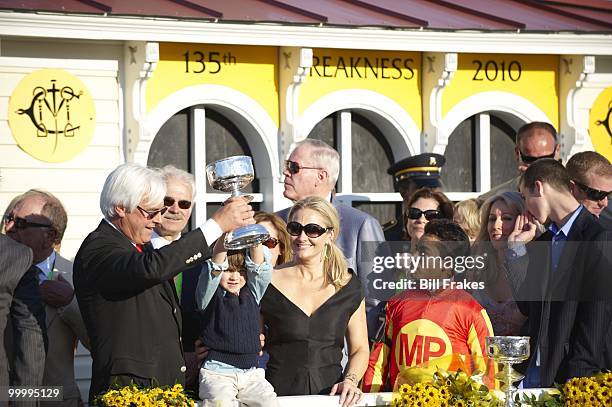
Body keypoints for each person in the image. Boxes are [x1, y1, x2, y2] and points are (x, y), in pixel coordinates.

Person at [73, 163, 255, 402]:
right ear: (120, 208)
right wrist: (216, 225)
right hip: (128, 391)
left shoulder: (137, 245)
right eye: (150, 212)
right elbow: (151, 268)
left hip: (164, 388)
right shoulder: (98, 248)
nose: (157, 219)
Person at [506, 158, 612, 387]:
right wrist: (515, 251)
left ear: (539, 187)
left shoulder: (598, 237)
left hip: (569, 379)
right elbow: (528, 306)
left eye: (525, 198)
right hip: (532, 377)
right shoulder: (544, 241)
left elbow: (595, 319)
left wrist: (578, 385)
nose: (526, 209)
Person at [362, 220, 495, 392]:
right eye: (416, 249)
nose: (414, 257)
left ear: (447, 267)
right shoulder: (394, 304)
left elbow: (490, 374)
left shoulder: (472, 311)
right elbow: (376, 365)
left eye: (423, 253)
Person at [262, 197, 368, 407]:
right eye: (295, 228)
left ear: (330, 235)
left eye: (312, 230)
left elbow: (360, 349)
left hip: (331, 398)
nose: (302, 237)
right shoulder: (267, 281)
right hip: (278, 398)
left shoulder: (348, 285)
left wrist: (351, 380)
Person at [277, 139, 384, 338]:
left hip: (340, 358)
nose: (286, 172)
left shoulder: (362, 225)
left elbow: (377, 301)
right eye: (286, 166)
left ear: (320, 176)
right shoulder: (275, 223)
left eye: (294, 167)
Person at [5, 190, 90, 406]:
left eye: (21, 224)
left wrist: (70, 302)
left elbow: (99, 342)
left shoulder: (76, 276)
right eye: (9, 219)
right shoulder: (3, 270)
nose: (9, 229)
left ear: (51, 236)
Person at [196, 237, 277, 407]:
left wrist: (253, 238)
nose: (234, 277)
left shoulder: (253, 293)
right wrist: (226, 234)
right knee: (221, 403)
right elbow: (215, 267)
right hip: (217, 372)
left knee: (268, 402)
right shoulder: (209, 295)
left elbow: (260, 269)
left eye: (241, 271)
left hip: (251, 373)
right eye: (228, 270)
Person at [471, 192, 527, 336]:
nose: (496, 226)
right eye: (491, 219)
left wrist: (517, 247)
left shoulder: (537, 267)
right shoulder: (475, 266)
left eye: (506, 218)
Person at [478, 121, 560, 205]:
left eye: (546, 159)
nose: (538, 166)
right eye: (530, 159)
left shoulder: (572, 192)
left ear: (557, 151)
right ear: (518, 154)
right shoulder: (489, 201)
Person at [383, 153, 446, 241]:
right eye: (422, 189)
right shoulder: (387, 237)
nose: (429, 194)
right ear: (403, 191)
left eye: (433, 188)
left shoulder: (449, 234)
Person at [566, 151, 611, 222]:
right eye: (598, 194)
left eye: (609, 195)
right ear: (572, 188)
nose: (605, 204)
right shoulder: (545, 226)